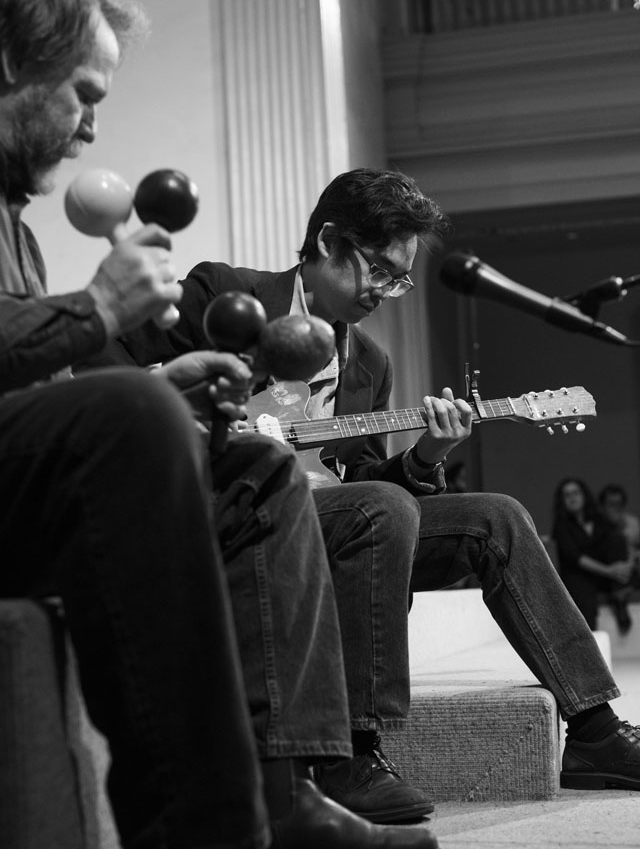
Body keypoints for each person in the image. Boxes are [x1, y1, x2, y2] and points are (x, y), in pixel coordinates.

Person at [0, 0, 440, 849]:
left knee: (257, 467)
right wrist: (95, 313)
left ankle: (282, 793)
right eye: (84, 93)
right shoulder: (214, 281)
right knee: (140, 417)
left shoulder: (16, 229)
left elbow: (32, 395)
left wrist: (165, 383)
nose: (92, 125)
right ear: (9, 67)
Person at [91, 167, 640, 802]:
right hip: (217, 506)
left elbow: (362, 482)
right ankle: (347, 754)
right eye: (379, 269)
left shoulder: (369, 364)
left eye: (399, 279)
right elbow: (101, 356)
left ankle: (595, 730)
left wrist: (427, 455)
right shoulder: (226, 292)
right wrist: (183, 410)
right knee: (381, 510)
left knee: (498, 518)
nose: (386, 291)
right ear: (328, 241)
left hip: (319, 519)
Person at [552, 477, 635, 634]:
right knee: (581, 589)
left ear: (584, 495)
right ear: (562, 500)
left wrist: (625, 566)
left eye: (575, 493)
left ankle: (620, 599)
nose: (572, 498)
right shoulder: (561, 526)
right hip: (579, 574)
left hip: (606, 573)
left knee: (616, 539)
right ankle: (588, 637)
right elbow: (576, 558)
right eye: (567, 495)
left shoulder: (598, 518)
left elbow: (620, 540)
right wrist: (609, 571)